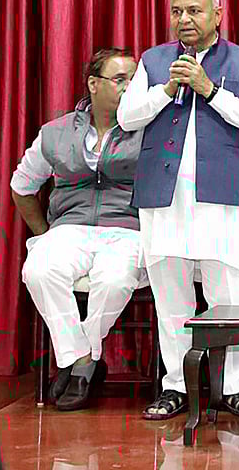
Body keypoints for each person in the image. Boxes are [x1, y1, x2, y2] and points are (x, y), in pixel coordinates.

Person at [118, 0, 239, 420]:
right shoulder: (154, 61)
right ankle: (175, 386)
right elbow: (128, 117)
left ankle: (232, 385)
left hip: (219, 199)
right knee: (171, 300)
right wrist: (165, 90)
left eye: (194, 12)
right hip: (163, 198)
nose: (184, 21)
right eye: (177, 12)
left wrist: (209, 89)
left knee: (227, 297)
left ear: (217, 15)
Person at [11, 48, 143, 411]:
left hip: (128, 228)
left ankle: (77, 361)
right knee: (38, 270)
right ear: (93, 84)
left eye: (135, 80)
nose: (129, 88)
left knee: (113, 281)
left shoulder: (148, 128)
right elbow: (22, 185)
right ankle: (84, 361)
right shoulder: (55, 132)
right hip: (70, 227)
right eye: (120, 80)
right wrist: (44, 231)